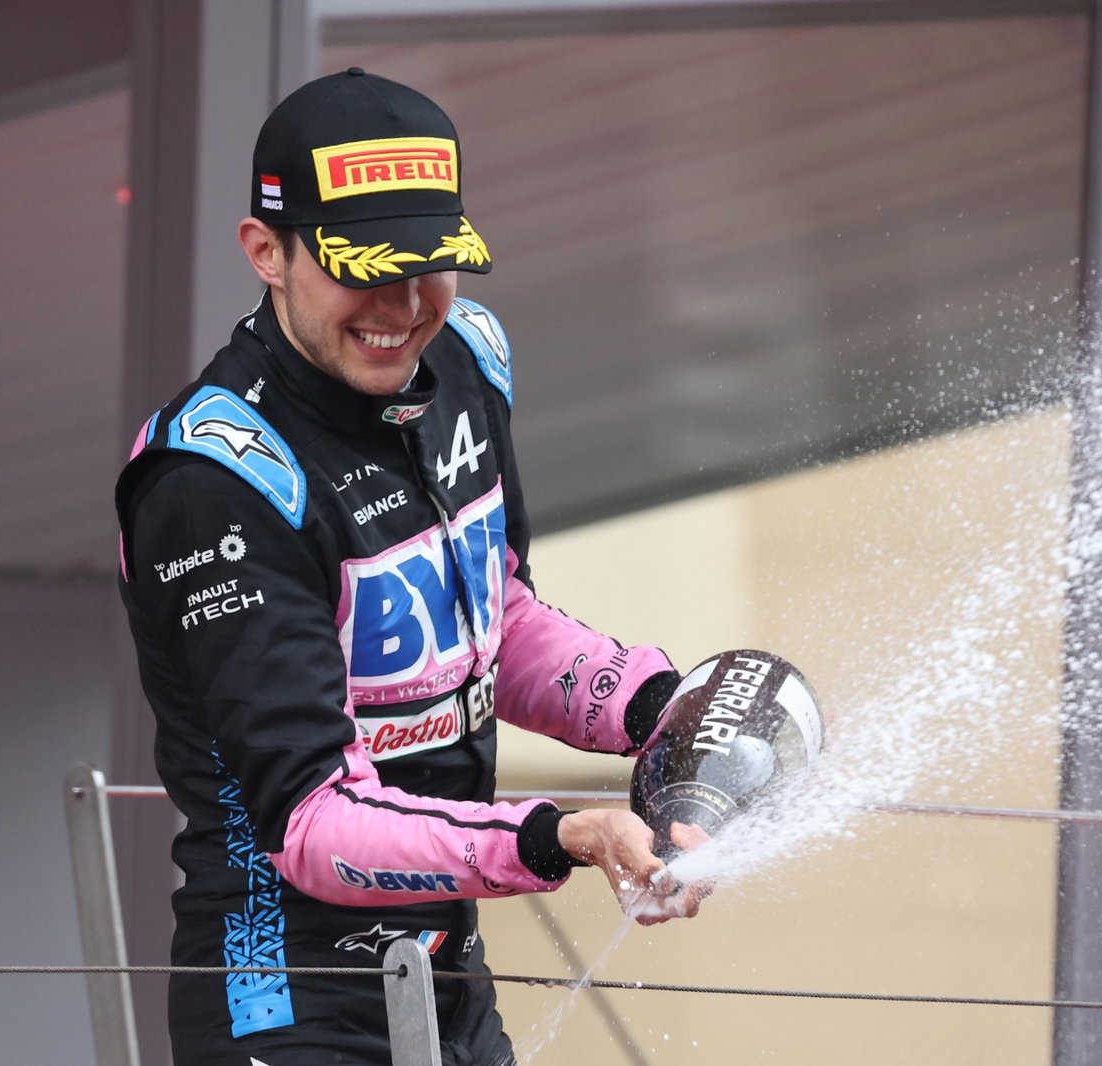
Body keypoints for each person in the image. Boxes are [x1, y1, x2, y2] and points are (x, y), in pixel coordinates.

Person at [115, 68, 706, 1066]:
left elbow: (491, 618)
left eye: (431, 265)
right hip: (282, 1002)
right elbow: (313, 823)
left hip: (446, 981)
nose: (403, 305)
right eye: (364, 266)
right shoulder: (212, 478)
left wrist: (660, 709)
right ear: (265, 251)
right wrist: (561, 836)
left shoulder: (469, 357)